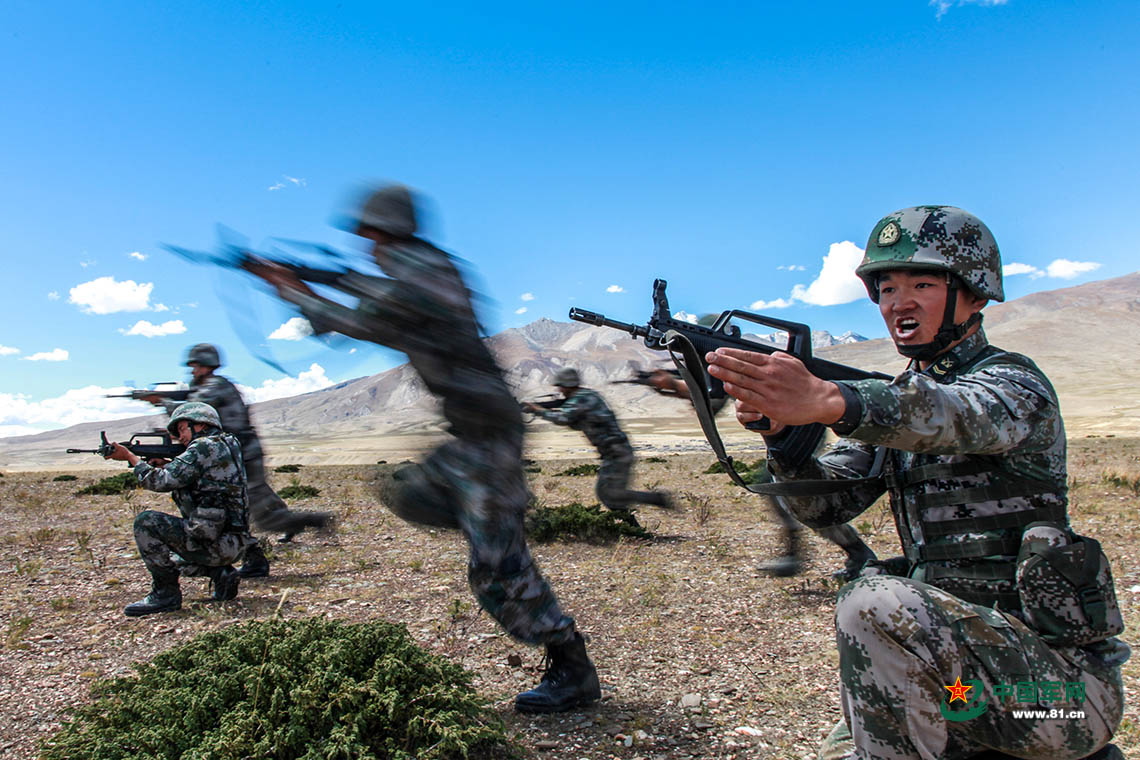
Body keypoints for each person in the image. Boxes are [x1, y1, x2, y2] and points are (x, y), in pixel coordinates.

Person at [706, 206, 1126, 760]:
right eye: (885, 289)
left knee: (873, 601)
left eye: (921, 283)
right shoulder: (894, 400)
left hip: (1057, 694)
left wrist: (831, 400)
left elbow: (953, 415)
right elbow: (827, 506)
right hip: (961, 685)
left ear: (975, 295)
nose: (897, 302)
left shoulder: (1014, 383)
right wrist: (784, 438)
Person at [248, 183, 600, 713]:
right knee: (409, 492)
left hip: (488, 437)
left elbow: (364, 318)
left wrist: (291, 289)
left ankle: (572, 667)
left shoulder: (422, 277)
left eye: (368, 236)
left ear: (383, 233)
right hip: (473, 435)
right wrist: (306, 277)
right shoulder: (426, 268)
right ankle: (491, 518)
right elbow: (364, 288)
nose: (365, 247)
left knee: (496, 568)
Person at [646, 368, 876, 578]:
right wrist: (673, 387)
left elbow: (713, 401)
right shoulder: (707, 359)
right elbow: (711, 399)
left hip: (800, 429)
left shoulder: (717, 355)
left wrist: (675, 386)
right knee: (785, 492)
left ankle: (849, 552)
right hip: (786, 429)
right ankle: (818, 553)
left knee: (799, 492)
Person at [145, 343, 333, 578]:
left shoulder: (216, 386)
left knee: (249, 512)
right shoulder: (207, 386)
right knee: (247, 504)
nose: (192, 371)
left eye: (195, 366)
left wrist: (161, 401)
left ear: (206, 365)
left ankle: (309, 521)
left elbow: (191, 410)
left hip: (241, 455)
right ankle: (275, 538)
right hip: (236, 454)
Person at [106, 402, 255, 616]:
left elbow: (160, 482)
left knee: (146, 522)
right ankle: (222, 574)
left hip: (216, 543)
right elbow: (204, 477)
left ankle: (165, 595)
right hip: (236, 544)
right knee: (176, 561)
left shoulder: (203, 446)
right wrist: (167, 463)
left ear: (200, 424)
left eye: (182, 428)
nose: (180, 437)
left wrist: (131, 458)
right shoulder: (227, 443)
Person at [525, 367, 672, 528]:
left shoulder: (581, 399)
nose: (560, 390)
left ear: (568, 385)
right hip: (614, 451)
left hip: (616, 451)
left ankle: (655, 500)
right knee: (608, 494)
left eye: (561, 386)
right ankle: (632, 526)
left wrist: (537, 410)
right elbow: (575, 422)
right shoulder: (586, 397)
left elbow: (563, 418)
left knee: (609, 493)